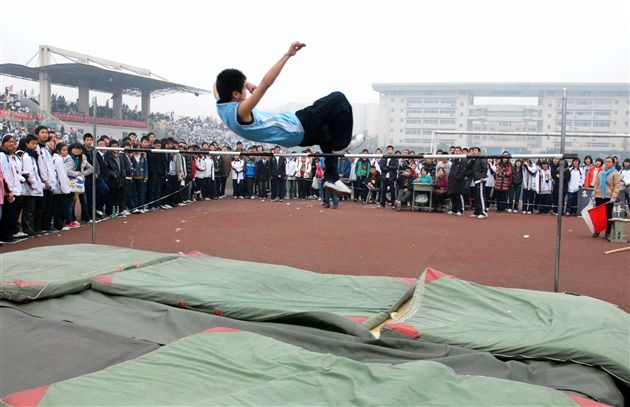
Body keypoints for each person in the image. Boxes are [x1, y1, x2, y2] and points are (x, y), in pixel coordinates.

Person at [214, 42, 364, 197]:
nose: (246, 91)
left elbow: (216, 83)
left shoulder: (221, 105)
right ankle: (343, 144)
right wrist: (287, 55)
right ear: (235, 94)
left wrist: (244, 83)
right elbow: (265, 84)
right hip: (296, 126)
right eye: (243, 89)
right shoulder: (241, 111)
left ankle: (331, 177)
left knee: (327, 134)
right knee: (339, 99)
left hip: (293, 136)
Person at [592, 157, 621, 240]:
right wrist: (594, 192)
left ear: (613, 163)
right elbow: (596, 184)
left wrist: (613, 197)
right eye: (606, 162)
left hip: (609, 196)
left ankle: (607, 232)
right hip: (599, 195)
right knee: (598, 214)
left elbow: (617, 186)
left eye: (609, 162)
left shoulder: (615, 173)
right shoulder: (601, 173)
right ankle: (597, 230)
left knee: (608, 214)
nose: (607, 163)